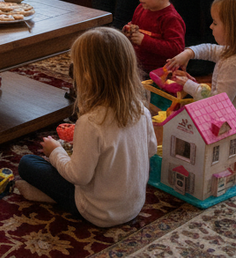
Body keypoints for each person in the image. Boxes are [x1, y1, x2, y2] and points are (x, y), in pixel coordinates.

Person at [16, 27, 155, 227]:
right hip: (133, 206)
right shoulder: (141, 110)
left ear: (87, 76)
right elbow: (149, 150)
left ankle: (51, 196)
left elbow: (79, 176)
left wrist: (55, 152)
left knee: (28, 164)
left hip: (96, 212)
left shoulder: (91, 122)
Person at [165, 0, 236, 153]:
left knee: (181, 132)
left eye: (215, 23)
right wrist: (189, 53)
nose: (210, 26)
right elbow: (210, 49)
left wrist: (189, 85)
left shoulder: (232, 65)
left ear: (233, 29)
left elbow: (216, 103)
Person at [123, 0, 186, 73]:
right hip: (139, 65)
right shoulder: (141, 8)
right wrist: (129, 31)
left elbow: (176, 49)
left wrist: (144, 41)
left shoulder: (171, 18)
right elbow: (137, 28)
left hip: (161, 72)